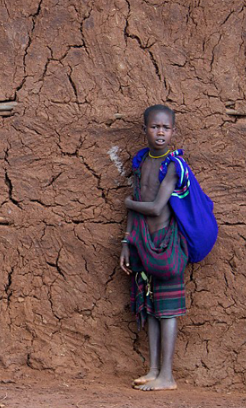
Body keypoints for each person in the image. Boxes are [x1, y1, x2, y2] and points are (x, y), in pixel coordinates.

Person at [119, 104, 187, 391]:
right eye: (155, 126)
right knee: (152, 307)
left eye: (166, 128)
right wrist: (126, 242)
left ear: (173, 131)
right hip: (143, 242)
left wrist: (128, 204)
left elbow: (157, 206)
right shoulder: (143, 161)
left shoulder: (172, 165)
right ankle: (154, 369)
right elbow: (139, 202)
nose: (160, 132)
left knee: (168, 310)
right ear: (145, 128)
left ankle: (168, 377)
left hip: (166, 245)